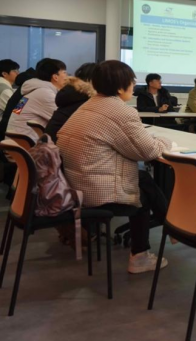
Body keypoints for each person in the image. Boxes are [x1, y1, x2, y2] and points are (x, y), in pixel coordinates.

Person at [57, 60, 171, 274]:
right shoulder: (120, 111)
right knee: (142, 194)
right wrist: (165, 141)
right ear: (120, 87)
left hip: (76, 186)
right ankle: (142, 254)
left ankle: (169, 225)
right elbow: (148, 152)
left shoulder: (88, 105)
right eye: (132, 81)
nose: (134, 85)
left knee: (143, 180)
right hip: (97, 192)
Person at [7, 59, 67, 142]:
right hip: (26, 144)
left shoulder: (32, 91)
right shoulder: (44, 93)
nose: (67, 77)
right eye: (65, 73)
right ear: (55, 77)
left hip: (15, 142)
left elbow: (17, 112)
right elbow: (64, 122)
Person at [44, 62, 96, 143]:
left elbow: (17, 111)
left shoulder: (71, 93)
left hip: (48, 141)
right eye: (64, 72)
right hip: (57, 144)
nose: (66, 75)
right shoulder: (85, 98)